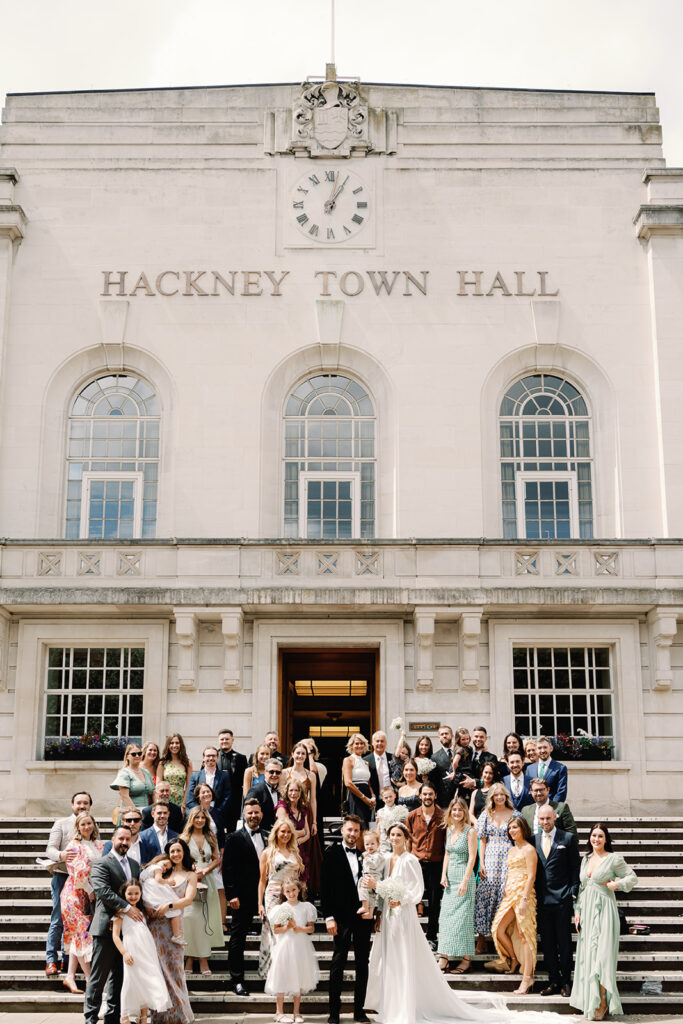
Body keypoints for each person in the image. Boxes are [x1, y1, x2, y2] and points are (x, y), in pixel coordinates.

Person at [364, 822, 511, 1024]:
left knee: (402, 958)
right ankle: (389, 1003)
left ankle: (403, 1008)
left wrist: (391, 894)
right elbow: (379, 885)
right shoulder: (387, 859)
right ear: (388, 838)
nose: (395, 838)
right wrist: (380, 910)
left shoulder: (410, 860)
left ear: (406, 838)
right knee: (390, 959)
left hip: (403, 915)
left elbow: (416, 890)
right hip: (389, 915)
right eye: (392, 835)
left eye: (399, 835)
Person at [571, 823, 638, 1021]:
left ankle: (602, 1002)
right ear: (589, 838)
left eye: (600, 836)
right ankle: (590, 1002)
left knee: (602, 958)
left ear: (606, 839)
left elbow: (632, 877)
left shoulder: (613, 859)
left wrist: (617, 884)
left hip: (605, 911)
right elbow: (583, 888)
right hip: (587, 911)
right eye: (594, 836)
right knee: (589, 957)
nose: (597, 839)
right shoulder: (586, 859)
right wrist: (577, 911)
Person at [83, 825, 142, 1024]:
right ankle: (90, 1018)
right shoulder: (101, 863)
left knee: (119, 976)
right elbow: (102, 891)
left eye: (128, 839)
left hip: (127, 930)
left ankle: (113, 1018)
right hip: (106, 927)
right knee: (98, 978)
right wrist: (127, 908)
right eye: (121, 839)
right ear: (113, 839)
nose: (124, 843)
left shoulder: (134, 865)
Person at [321, 814, 373, 1024]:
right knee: (338, 962)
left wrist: (374, 912)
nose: (352, 834)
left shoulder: (366, 855)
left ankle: (359, 1010)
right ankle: (334, 1012)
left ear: (360, 833)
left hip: (363, 917)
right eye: (349, 829)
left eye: (356, 830)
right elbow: (325, 888)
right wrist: (329, 917)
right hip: (340, 917)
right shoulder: (331, 853)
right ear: (342, 830)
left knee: (363, 963)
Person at [145, 838, 197, 1024]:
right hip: (155, 925)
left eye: (178, 850)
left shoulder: (190, 875)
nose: (175, 854)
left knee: (175, 970)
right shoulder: (161, 871)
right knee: (157, 970)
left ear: (184, 852)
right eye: (172, 851)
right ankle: (160, 1016)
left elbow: (188, 899)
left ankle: (180, 1014)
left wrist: (168, 905)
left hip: (173, 926)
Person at [223, 798, 269, 997]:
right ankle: (237, 980)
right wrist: (231, 894)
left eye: (256, 812)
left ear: (262, 814)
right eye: (250, 813)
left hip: (268, 895)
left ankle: (273, 978)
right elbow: (227, 868)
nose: (253, 816)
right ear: (244, 815)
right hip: (242, 896)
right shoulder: (234, 837)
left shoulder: (269, 836)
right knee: (238, 938)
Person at [44, 790, 93, 978]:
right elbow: (50, 849)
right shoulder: (61, 824)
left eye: (85, 803)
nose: (82, 806)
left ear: (89, 806)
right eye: (79, 803)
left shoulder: (90, 824)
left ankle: (68, 958)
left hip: (82, 882)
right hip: (62, 876)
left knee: (78, 923)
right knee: (58, 918)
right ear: (72, 805)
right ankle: (51, 959)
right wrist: (61, 855)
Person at [534, 804, 580, 998]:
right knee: (548, 942)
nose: (545, 822)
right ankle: (553, 980)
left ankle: (566, 982)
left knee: (564, 942)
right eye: (542, 819)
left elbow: (574, 868)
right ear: (538, 819)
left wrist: (573, 891)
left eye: (548, 818)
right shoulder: (533, 839)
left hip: (562, 898)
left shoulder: (567, 838)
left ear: (555, 817)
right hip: (543, 900)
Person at [112, 877, 171, 1024]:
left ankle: (143, 1016)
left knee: (146, 980)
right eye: (130, 893)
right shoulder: (121, 912)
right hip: (131, 949)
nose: (133, 897)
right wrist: (124, 952)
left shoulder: (142, 911)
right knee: (130, 980)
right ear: (124, 894)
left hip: (146, 949)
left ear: (141, 893)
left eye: (136, 893)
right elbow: (115, 936)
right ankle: (124, 1016)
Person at [490, 816, 538, 994]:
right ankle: (513, 958)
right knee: (498, 928)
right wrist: (505, 890)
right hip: (510, 894)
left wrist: (525, 899)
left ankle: (527, 978)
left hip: (524, 895)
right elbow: (509, 872)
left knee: (524, 934)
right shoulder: (511, 850)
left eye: (515, 827)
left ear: (523, 829)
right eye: (510, 828)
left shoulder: (529, 849)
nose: (512, 831)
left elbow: (532, 876)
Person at [60, 812, 104, 993]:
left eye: (89, 823)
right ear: (77, 827)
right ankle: (89, 980)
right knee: (82, 935)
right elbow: (77, 873)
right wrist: (90, 889)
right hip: (75, 894)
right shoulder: (73, 846)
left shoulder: (97, 844)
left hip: (89, 894)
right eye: (83, 824)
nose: (86, 827)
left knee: (78, 935)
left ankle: (70, 976)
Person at [266, 877, 319, 1023]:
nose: (291, 893)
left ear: (299, 890)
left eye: (294, 890)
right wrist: (288, 927)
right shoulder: (281, 908)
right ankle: (279, 1012)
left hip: (300, 945)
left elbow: (311, 928)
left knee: (299, 975)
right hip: (285, 945)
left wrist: (299, 928)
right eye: (288, 891)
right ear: (284, 892)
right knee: (282, 975)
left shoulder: (306, 907)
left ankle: (296, 1012)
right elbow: (276, 930)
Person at [181, 806, 224, 975]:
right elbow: (180, 858)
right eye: (197, 817)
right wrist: (193, 868)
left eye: (203, 818)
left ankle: (203, 958)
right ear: (191, 819)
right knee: (191, 920)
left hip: (208, 881)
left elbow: (216, 858)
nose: (200, 820)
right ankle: (190, 957)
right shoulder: (184, 838)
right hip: (191, 882)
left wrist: (205, 870)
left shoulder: (210, 836)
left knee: (204, 921)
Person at [437, 797, 477, 975]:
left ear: (465, 812)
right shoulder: (449, 829)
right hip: (450, 880)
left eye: (460, 810)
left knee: (464, 921)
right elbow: (447, 853)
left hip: (464, 878)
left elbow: (472, 858)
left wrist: (465, 881)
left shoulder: (470, 832)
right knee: (445, 919)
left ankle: (466, 960)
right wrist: (443, 874)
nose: (457, 813)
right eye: (454, 810)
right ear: (450, 812)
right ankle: (443, 958)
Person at [474, 783, 514, 955]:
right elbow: (482, 840)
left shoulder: (515, 814)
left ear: (506, 796)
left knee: (503, 897)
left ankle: (501, 941)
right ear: (491, 797)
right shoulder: (486, 814)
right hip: (489, 857)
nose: (499, 797)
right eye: (496, 795)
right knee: (485, 894)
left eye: (502, 795)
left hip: (507, 857)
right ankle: (481, 939)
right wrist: (481, 863)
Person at [407, 781, 445, 948]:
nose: (427, 797)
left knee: (435, 902)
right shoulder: (412, 815)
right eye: (425, 794)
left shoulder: (443, 816)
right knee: (413, 900)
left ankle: (431, 936)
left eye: (430, 794)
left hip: (437, 863)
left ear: (435, 795)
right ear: (420, 796)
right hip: (417, 863)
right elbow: (408, 840)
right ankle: (412, 936)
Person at [258, 819, 305, 917]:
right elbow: (262, 881)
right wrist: (260, 904)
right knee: (275, 927)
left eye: (289, 832)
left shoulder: (295, 852)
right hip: (274, 895)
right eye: (283, 831)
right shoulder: (267, 853)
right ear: (276, 832)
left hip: (292, 896)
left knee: (291, 928)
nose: (286, 835)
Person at [140, 854, 185, 945]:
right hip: (153, 892)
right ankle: (176, 935)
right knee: (175, 909)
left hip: (147, 895)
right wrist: (168, 882)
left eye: (167, 869)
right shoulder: (157, 868)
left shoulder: (146, 870)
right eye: (164, 865)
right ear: (158, 860)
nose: (164, 869)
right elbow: (159, 880)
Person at [276, 777, 312, 884]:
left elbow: (308, 834)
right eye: (291, 790)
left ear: (300, 793)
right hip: (285, 850)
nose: (293, 793)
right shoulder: (282, 807)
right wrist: (302, 832)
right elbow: (284, 832)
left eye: (296, 790)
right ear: (286, 792)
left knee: (301, 884)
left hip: (299, 850)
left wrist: (298, 840)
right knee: (287, 883)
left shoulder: (303, 809)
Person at [186, 746, 232, 826]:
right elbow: (189, 800)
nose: (211, 758)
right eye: (208, 756)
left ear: (217, 757)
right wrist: (200, 812)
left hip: (217, 816)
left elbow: (227, 797)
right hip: (197, 817)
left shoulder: (224, 776)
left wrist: (216, 812)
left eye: (213, 756)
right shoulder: (195, 776)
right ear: (203, 757)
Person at [110, 743, 155, 819]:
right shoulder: (124, 773)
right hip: (130, 815)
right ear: (127, 756)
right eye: (134, 754)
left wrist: (156, 809)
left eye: (139, 753)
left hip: (146, 812)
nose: (137, 756)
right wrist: (137, 814)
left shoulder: (146, 772)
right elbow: (124, 796)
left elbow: (153, 792)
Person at [217, 728, 248, 833]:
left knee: (232, 831)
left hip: (234, 802)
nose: (224, 741)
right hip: (217, 801)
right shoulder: (212, 757)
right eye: (222, 739)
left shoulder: (241, 758)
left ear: (232, 740)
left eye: (227, 739)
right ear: (218, 740)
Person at [342, 733, 375, 827]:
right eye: (356, 743)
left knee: (367, 828)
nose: (359, 745)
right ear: (351, 745)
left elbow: (368, 784)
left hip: (367, 797)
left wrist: (373, 797)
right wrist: (364, 798)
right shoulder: (348, 760)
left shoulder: (366, 763)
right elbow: (348, 783)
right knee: (358, 827)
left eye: (362, 743)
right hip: (356, 797)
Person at [301, 736, 328, 842]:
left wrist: (309, 755)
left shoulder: (320, 766)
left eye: (311, 750)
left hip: (313, 805)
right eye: (304, 749)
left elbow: (313, 770)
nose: (307, 753)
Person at [247, 759, 284, 831]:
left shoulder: (281, 793)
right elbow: (249, 816)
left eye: (277, 772)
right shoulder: (255, 791)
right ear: (265, 772)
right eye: (271, 772)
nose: (274, 775)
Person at [526, 737, 568, 801]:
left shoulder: (560, 768)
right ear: (536, 750)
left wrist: (549, 808)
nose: (542, 750)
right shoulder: (529, 769)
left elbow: (561, 793)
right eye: (539, 748)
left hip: (552, 808)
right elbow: (528, 791)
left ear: (551, 748)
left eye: (545, 747)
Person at [357, 828, 385, 918]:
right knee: (371, 896)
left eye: (372, 844)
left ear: (378, 844)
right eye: (367, 844)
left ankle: (365, 906)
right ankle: (370, 913)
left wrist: (367, 858)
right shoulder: (368, 854)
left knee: (362, 886)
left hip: (373, 878)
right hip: (369, 876)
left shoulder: (378, 855)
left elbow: (373, 865)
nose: (370, 846)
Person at [159, 734, 193, 809]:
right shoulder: (162, 763)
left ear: (181, 744)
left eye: (177, 743)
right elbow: (158, 785)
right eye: (171, 743)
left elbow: (189, 786)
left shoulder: (187, 762)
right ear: (168, 745)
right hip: (165, 799)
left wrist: (184, 804)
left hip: (181, 800)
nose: (174, 745)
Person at [363, 730, 394, 810]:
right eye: (377, 741)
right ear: (373, 743)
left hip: (391, 801)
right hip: (373, 801)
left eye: (382, 741)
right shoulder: (366, 760)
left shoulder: (393, 758)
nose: (379, 743)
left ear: (385, 743)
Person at [376, 784, 408, 850]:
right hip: (384, 840)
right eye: (386, 798)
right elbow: (379, 828)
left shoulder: (400, 809)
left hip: (398, 839)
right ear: (382, 799)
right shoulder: (380, 812)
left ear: (395, 796)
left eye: (390, 796)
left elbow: (405, 826)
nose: (389, 799)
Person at [433, 725, 456, 807]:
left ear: (452, 736)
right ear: (439, 737)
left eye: (446, 733)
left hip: (461, 796)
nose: (444, 736)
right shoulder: (434, 757)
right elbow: (434, 781)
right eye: (442, 734)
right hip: (444, 800)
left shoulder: (462, 751)